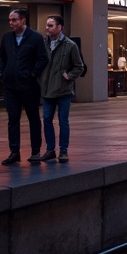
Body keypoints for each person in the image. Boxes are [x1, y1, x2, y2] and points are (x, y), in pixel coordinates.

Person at [0, 7, 48, 165]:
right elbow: (2, 56)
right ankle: (14, 152)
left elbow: (43, 58)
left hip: (29, 85)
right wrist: (2, 72)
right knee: (13, 119)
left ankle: (35, 151)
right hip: (11, 86)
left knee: (33, 118)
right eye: (10, 20)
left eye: (14, 20)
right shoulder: (7, 38)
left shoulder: (35, 38)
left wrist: (32, 74)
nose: (11, 23)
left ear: (23, 20)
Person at [38, 14, 85, 163]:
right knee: (46, 119)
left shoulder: (70, 45)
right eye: (47, 25)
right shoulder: (43, 43)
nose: (47, 28)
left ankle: (63, 151)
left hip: (63, 90)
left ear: (59, 27)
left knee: (63, 121)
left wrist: (69, 76)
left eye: (51, 25)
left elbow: (80, 66)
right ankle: (50, 150)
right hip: (47, 89)